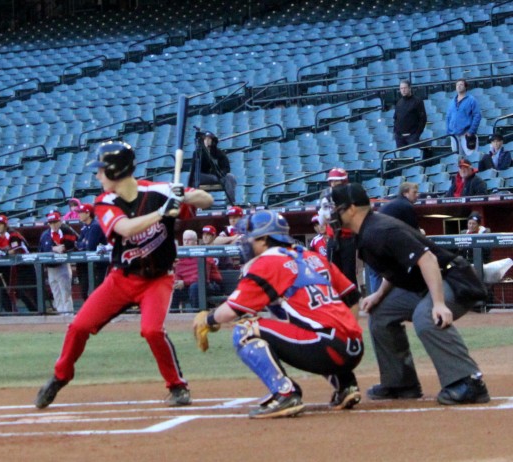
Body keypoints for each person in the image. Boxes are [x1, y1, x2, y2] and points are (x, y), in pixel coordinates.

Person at [34, 140, 213, 409]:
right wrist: (162, 212)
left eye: (101, 170)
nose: (97, 176)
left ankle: (177, 387)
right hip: (122, 279)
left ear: (116, 171)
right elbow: (126, 228)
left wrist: (183, 195)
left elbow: (207, 200)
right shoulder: (105, 202)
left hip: (157, 278)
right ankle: (60, 377)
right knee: (79, 326)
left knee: (152, 331)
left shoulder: (159, 190)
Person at [193, 210, 363, 419]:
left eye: (251, 237)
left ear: (265, 239)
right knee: (304, 322)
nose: (246, 242)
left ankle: (285, 393)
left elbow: (233, 310)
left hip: (327, 346)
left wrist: (208, 319)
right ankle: (346, 384)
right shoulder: (307, 257)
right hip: (353, 345)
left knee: (245, 329)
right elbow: (351, 297)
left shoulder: (268, 261)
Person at [330, 183, 490, 405]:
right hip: (426, 283)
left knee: (426, 317)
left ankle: (469, 382)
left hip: (454, 278)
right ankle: (401, 383)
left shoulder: (380, 229)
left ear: (352, 209)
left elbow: (428, 259)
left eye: (337, 208)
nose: (333, 213)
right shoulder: (367, 230)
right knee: (381, 313)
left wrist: (439, 304)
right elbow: (397, 269)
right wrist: (378, 295)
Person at [172, 229, 222, 311]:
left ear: (196, 242)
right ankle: (172, 316)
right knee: (173, 289)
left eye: (189, 240)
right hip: (190, 286)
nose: (186, 242)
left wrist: (184, 282)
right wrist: (177, 282)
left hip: (212, 285)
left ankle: (196, 315)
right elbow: (178, 274)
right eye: (184, 240)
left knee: (195, 287)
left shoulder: (204, 254)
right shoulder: (181, 258)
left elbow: (202, 276)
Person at [38, 211, 77, 314]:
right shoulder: (46, 234)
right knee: (56, 292)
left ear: (60, 221)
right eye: (51, 223)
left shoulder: (66, 230)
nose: (53, 225)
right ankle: (60, 315)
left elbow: (71, 244)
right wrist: (54, 248)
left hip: (63, 265)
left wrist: (61, 248)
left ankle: (68, 314)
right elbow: (42, 249)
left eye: (55, 222)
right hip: (51, 267)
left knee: (65, 292)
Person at [188, 130, 237, 204]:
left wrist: (220, 174)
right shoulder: (198, 153)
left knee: (230, 177)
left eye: (209, 139)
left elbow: (226, 168)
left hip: (218, 176)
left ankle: (230, 203)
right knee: (191, 176)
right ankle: (195, 203)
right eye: (205, 139)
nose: (207, 141)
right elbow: (194, 169)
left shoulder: (219, 153)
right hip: (204, 177)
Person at [75, 203, 109, 301]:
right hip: (88, 264)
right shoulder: (85, 227)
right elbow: (78, 244)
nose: (79, 215)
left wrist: (83, 244)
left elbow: (90, 246)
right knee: (85, 291)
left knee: (97, 291)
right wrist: (83, 243)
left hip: (98, 264)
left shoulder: (95, 226)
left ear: (88, 213)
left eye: (81, 212)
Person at [446, 79, 481, 156]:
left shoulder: (471, 100)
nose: (459, 86)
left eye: (461, 84)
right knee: (458, 159)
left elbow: (477, 116)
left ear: (465, 87)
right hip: (454, 135)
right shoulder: (452, 101)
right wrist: (448, 131)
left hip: (466, 134)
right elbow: (448, 116)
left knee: (472, 157)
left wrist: (471, 131)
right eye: (457, 85)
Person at [393, 80, 427, 148]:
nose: (403, 90)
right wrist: (396, 133)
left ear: (409, 88)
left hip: (412, 137)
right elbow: (396, 118)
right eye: (401, 88)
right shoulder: (399, 103)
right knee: (401, 158)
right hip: (400, 138)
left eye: (405, 88)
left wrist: (417, 133)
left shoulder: (417, 101)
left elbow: (423, 119)